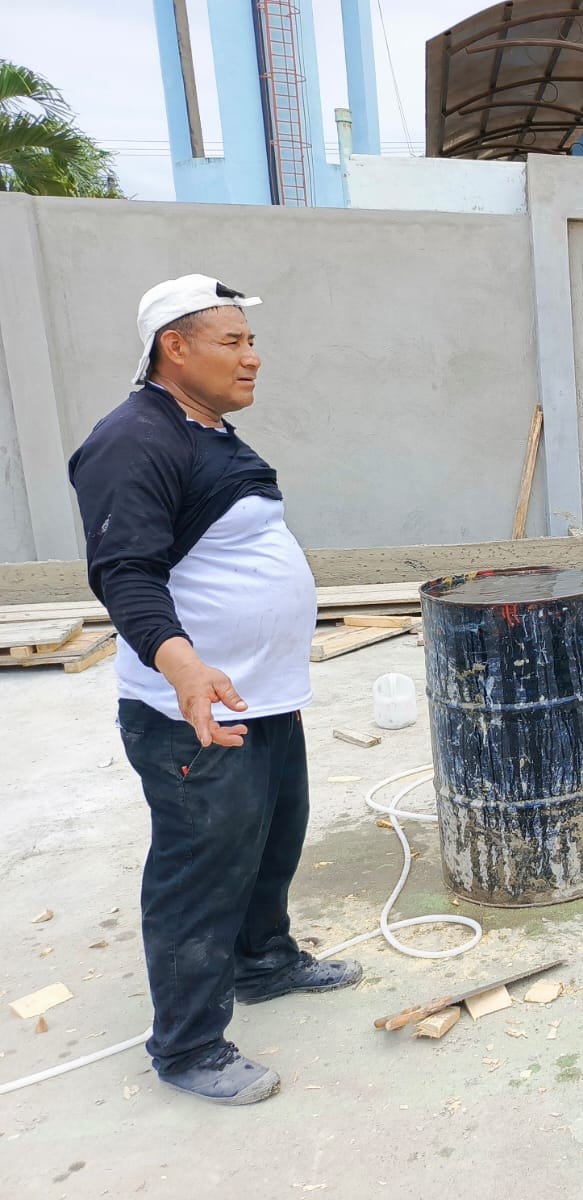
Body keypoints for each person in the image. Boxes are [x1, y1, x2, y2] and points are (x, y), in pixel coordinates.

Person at [67, 275, 361, 1106]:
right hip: (187, 709)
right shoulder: (133, 440)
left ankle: (263, 963)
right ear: (175, 347)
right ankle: (189, 1046)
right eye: (232, 341)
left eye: (250, 341)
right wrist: (183, 665)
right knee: (199, 868)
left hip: (258, 696)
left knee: (271, 840)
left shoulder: (209, 431)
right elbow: (124, 571)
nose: (252, 357)